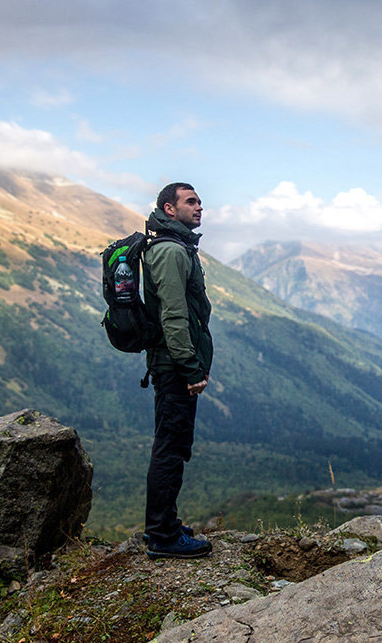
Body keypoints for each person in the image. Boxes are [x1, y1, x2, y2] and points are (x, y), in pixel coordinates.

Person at [142, 182, 214, 559]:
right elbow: (173, 315)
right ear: (170, 209)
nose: (199, 207)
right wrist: (189, 368)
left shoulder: (177, 246)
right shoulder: (170, 251)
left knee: (172, 444)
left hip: (173, 364)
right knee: (171, 448)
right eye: (190, 201)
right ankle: (163, 536)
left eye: (200, 201)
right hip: (174, 366)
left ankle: (164, 522)